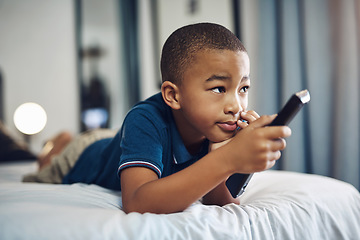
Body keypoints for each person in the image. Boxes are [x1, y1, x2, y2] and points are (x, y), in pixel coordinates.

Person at [24, 23, 291, 214]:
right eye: (219, 89)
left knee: (114, 138)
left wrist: (237, 159)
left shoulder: (213, 129)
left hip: (119, 139)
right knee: (47, 165)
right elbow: (137, 201)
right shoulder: (144, 119)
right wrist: (228, 158)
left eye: (243, 88)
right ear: (173, 96)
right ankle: (57, 144)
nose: (236, 105)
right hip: (85, 154)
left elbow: (219, 201)